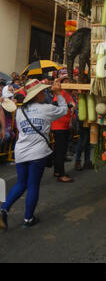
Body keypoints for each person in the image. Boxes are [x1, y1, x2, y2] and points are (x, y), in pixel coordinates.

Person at [0, 79, 67, 231]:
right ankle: (28, 218)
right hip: (37, 153)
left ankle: (3, 210)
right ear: (36, 95)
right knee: (32, 185)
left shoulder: (20, 111)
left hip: (21, 152)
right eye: (42, 92)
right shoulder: (46, 109)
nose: (44, 94)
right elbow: (63, 110)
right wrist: (58, 93)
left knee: (20, 183)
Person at [51, 75, 76, 183]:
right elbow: (56, 106)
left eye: (68, 80)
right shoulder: (60, 94)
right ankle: (61, 175)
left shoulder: (68, 94)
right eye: (64, 81)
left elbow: (71, 108)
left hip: (65, 125)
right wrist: (69, 107)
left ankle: (57, 171)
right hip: (59, 126)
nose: (66, 82)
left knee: (59, 150)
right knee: (60, 151)